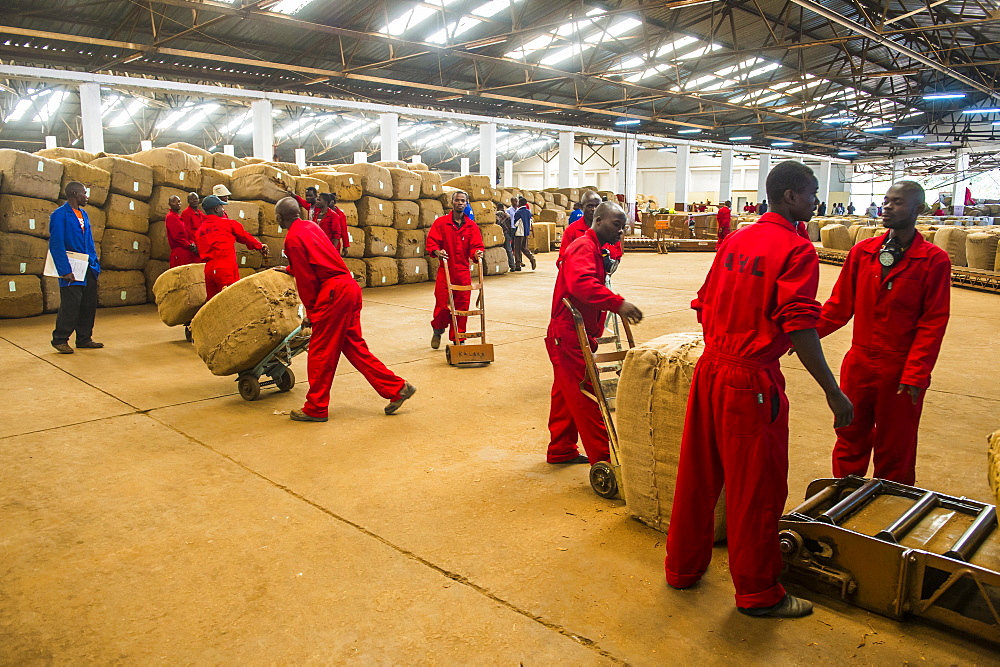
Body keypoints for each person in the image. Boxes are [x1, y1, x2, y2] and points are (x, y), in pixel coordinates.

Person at [665, 160, 854, 619]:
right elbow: (801, 324)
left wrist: (729, 336)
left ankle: (682, 569)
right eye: (810, 192)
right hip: (750, 381)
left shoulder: (737, 239)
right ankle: (758, 593)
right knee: (756, 490)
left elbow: (704, 302)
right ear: (790, 196)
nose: (815, 200)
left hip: (710, 370)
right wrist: (832, 389)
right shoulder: (796, 249)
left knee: (698, 474)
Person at [816, 182, 950, 485]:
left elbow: (933, 322)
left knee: (896, 445)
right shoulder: (862, 253)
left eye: (898, 202)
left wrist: (916, 373)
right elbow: (838, 306)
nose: (887, 207)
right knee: (850, 433)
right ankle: (844, 495)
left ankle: (891, 506)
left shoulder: (933, 261)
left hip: (901, 370)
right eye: (886, 201)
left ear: (918, 209)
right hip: (859, 364)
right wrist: (806, 334)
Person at [273, 198, 415, 423]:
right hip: (348, 287)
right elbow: (320, 257)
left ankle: (316, 408)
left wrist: (312, 311)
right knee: (355, 347)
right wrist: (292, 268)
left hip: (332, 294)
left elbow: (307, 279)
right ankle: (397, 388)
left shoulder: (292, 238)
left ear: (279, 218)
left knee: (321, 352)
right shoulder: (311, 226)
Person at [546, 201, 642, 466]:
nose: (621, 231)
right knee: (587, 393)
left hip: (577, 332)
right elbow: (582, 285)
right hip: (568, 334)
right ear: (598, 221)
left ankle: (561, 450)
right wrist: (618, 303)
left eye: (623, 226)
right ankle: (605, 460)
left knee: (567, 393)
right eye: (616, 225)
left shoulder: (597, 248)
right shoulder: (583, 247)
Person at [426, 190, 485, 349]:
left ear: (466, 204)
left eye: (463, 201)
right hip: (445, 271)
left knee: (462, 307)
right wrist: (437, 251)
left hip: (463, 272)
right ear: (452, 202)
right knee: (442, 305)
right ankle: (438, 330)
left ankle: (459, 338)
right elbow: (432, 242)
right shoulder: (441, 223)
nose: (460, 203)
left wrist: (477, 254)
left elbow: (476, 245)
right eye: (457, 200)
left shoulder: (471, 226)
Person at [49, 181, 102, 354]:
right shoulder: (59, 215)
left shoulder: (84, 214)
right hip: (71, 268)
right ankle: (60, 339)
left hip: (88, 267)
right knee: (71, 305)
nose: (86, 196)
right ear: (74, 194)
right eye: (84, 193)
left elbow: (89, 242)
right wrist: (64, 270)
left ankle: (84, 338)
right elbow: (56, 244)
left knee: (88, 305)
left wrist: (95, 264)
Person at [196, 195, 268, 299]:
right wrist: (259, 245)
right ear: (216, 209)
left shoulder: (200, 231)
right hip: (225, 268)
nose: (223, 210)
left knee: (212, 303)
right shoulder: (227, 224)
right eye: (222, 207)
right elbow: (244, 236)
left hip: (209, 270)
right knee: (231, 300)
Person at [561, 190, 624, 264]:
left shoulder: (609, 229)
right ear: (581, 207)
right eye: (590, 206)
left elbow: (617, 255)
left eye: (597, 206)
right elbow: (562, 259)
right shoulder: (572, 230)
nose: (594, 209)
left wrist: (609, 270)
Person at [165, 194, 200, 267]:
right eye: (174, 201)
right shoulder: (171, 217)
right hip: (180, 252)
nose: (178, 203)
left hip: (186, 251)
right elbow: (177, 236)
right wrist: (189, 245)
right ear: (169, 204)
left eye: (179, 201)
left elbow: (188, 233)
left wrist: (192, 243)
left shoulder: (178, 218)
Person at [511, 196, 537, 271]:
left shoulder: (518, 212)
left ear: (520, 203)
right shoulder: (528, 212)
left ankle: (518, 265)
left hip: (519, 233)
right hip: (526, 232)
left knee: (517, 249)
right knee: (524, 248)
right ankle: (531, 258)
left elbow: (515, 223)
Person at [495, 202, 516, 271]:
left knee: (498, 250)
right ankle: (512, 266)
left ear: (498, 208)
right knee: (509, 250)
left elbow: (497, 224)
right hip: (507, 234)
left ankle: (501, 266)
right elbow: (510, 226)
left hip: (499, 234)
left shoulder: (497, 215)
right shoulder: (508, 215)